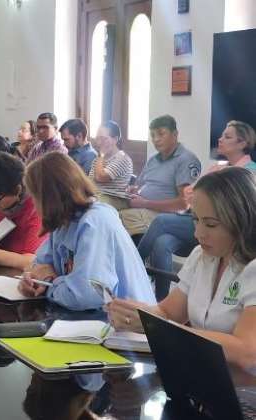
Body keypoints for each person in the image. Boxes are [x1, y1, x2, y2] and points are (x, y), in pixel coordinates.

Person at [109, 167, 256, 371]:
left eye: (211, 224)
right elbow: (168, 312)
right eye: (196, 219)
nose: (198, 233)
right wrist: (137, 315)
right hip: (205, 381)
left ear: (243, 221)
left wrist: (162, 330)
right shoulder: (201, 257)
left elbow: (246, 352)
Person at [18, 152, 155, 310]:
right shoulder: (63, 220)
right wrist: (31, 280)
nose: (34, 205)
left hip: (126, 326)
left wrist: (49, 285)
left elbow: (88, 295)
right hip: (91, 319)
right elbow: (41, 265)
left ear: (49, 198)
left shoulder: (96, 221)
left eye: (35, 197)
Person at [137, 120, 256, 300]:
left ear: (242, 143)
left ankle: (133, 264)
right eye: (222, 135)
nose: (220, 139)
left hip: (224, 229)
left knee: (161, 221)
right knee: (162, 243)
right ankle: (160, 300)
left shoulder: (250, 172)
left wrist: (201, 197)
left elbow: (230, 209)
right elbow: (191, 197)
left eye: (227, 136)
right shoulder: (218, 168)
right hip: (198, 220)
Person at [119, 114, 201, 238]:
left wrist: (145, 203)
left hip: (164, 214)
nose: (156, 139)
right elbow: (140, 185)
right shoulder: (153, 159)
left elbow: (184, 204)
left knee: (118, 218)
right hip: (141, 207)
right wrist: (133, 190)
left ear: (175, 135)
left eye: (161, 134)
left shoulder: (186, 160)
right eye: (152, 135)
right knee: (105, 208)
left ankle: (135, 255)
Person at [88, 120, 133, 210]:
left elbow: (100, 177)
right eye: (97, 138)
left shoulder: (122, 158)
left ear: (115, 139)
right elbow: (90, 180)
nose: (99, 143)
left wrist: (101, 155)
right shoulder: (98, 159)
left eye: (104, 138)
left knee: (92, 205)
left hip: (114, 198)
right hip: (97, 195)